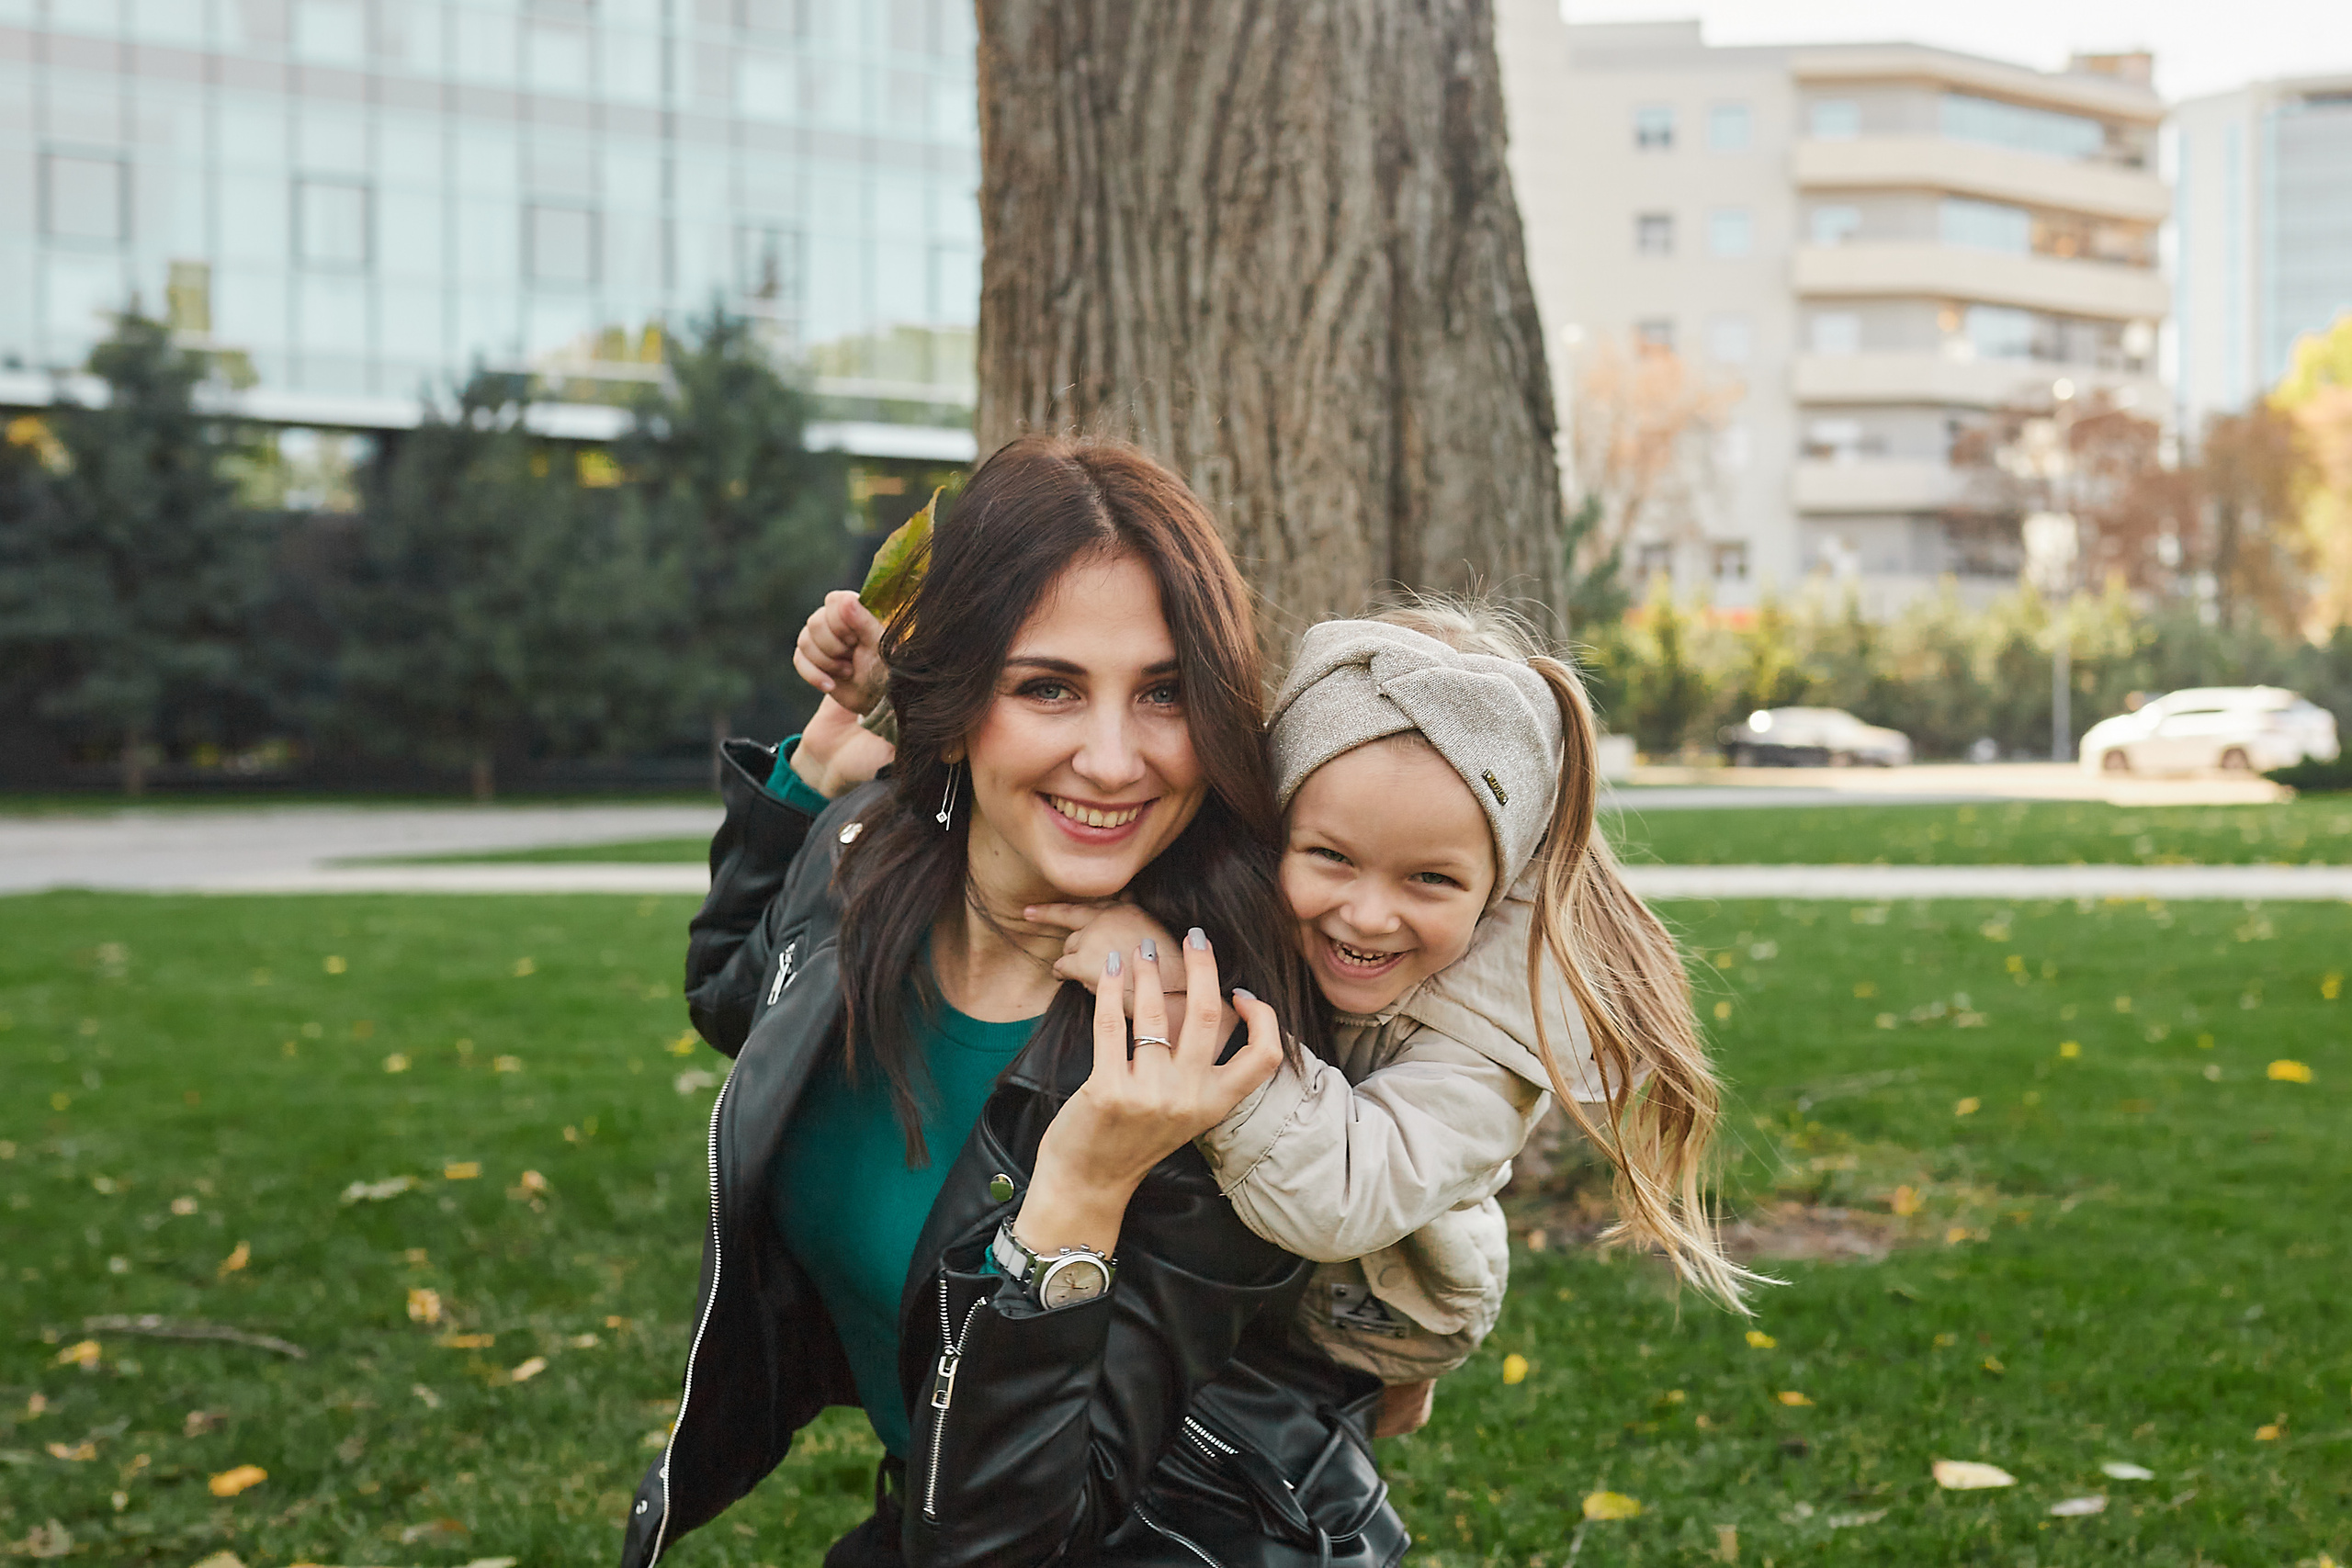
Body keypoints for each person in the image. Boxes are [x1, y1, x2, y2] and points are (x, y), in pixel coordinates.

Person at [620, 435, 1408, 1568]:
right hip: (928, 1517)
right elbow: (740, 996)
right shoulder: (869, 857)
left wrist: (1082, 1190)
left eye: (1165, 694)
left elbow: (1028, 1530)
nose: (1111, 758)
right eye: (1048, 688)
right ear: (948, 702)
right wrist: (810, 777)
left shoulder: (1211, 1037)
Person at [807, 594, 1763, 1439]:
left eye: (1430, 880)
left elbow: (1338, 1195)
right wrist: (893, 701)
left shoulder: (1493, 1042)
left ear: (1499, 880)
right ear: (1277, 829)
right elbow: (1124, 790)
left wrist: (1185, 1003)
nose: (1368, 913)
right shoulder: (1276, 860)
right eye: (1332, 859)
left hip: (1363, 1315)